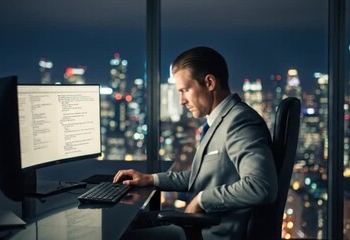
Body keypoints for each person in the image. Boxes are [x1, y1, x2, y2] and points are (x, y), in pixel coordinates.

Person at [114, 46, 278, 240]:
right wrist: (151, 179)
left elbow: (261, 186)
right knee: (129, 223)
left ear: (209, 83)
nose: (182, 100)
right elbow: (201, 177)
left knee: (121, 236)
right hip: (199, 225)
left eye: (185, 90)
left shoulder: (240, 121)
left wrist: (202, 199)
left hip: (210, 233)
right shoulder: (218, 122)